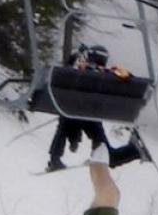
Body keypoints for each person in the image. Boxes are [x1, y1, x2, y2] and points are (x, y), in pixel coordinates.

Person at [47, 44, 137, 172]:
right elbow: (129, 78)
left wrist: (75, 57)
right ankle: (132, 151)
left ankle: (55, 157)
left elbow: (64, 72)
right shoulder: (109, 74)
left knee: (66, 119)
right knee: (106, 151)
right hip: (92, 117)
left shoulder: (78, 71)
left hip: (71, 113)